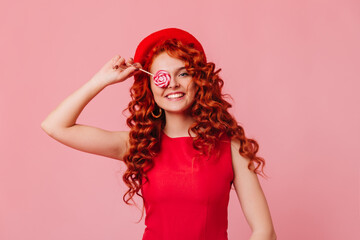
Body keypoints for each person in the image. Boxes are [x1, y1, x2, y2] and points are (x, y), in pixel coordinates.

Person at [41, 28, 276, 240]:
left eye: (183, 74)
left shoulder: (229, 146)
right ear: (151, 86)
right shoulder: (138, 145)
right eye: (162, 77)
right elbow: (55, 126)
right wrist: (101, 81)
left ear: (199, 81)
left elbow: (265, 231)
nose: (172, 84)